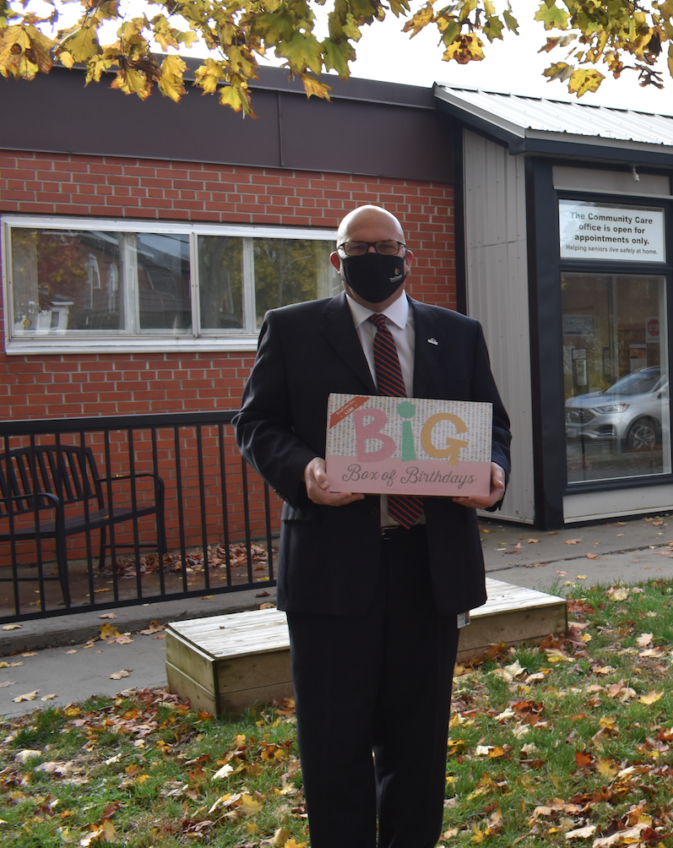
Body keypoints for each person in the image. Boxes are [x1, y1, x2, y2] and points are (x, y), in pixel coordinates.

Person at [235, 205, 511, 847]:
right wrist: (305, 472)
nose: (376, 257)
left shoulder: (457, 333)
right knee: (334, 745)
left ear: (407, 257)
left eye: (388, 246)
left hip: (429, 566)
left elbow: (491, 423)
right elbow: (256, 424)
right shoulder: (293, 329)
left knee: (419, 744)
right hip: (332, 571)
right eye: (360, 248)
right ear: (338, 260)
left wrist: (494, 470)